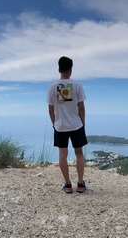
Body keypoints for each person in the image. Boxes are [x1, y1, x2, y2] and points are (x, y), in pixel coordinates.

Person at [47, 56, 88, 193]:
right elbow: (81, 107)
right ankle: (81, 183)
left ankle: (68, 184)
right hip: (76, 125)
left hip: (60, 126)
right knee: (79, 153)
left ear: (59, 69)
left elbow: (51, 109)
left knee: (62, 154)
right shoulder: (77, 86)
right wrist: (82, 123)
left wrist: (55, 123)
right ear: (71, 69)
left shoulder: (52, 87)